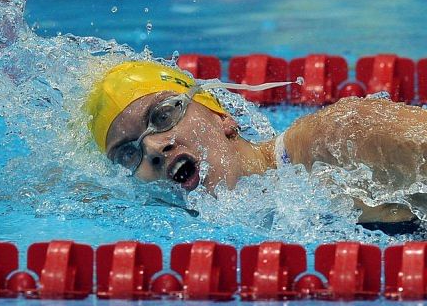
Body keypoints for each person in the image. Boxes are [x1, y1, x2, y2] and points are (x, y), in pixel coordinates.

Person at [83, 60, 427, 234]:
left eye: (162, 116)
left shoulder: (338, 138)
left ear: (223, 116)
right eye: (129, 154)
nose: (155, 148)